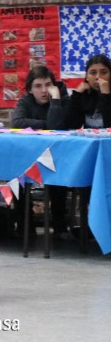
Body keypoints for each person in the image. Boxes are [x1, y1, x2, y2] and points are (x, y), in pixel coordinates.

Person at [11, 66, 71, 238]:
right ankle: (24, 224)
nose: (44, 90)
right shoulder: (26, 101)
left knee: (56, 176)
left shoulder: (62, 99)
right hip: (29, 156)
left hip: (57, 156)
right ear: (30, 89)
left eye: (48, 84)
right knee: (17, 174)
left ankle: (60, 225)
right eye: (38, 86)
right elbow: (17, 122)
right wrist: (44, 124)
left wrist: (57, 99)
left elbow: (57, 127)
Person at [63, 54, 111, 129]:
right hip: (90, 140)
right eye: (93, 73)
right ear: (87, 76)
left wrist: (106, 95)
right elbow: (71, 126)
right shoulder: (84, 95)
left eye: (103, 72)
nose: (98, 77)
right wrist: (77, 94)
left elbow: (109, 126)